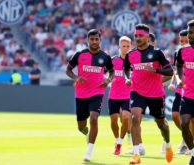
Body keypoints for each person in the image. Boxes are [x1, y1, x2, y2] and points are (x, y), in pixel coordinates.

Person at [124, 24, 174, 164]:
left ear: (147, 37)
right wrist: (127, 78)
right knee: (135, 118)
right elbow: (126, 68)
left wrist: (156, 71)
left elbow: (170, 72)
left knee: (161, 124)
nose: (138, 38)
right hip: (137, 91)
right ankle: (136, 154)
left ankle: (168, 144)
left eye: (140, 36)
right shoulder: (130, 54)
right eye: (136, 36)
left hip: (155, 93)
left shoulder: (157, 53)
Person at [65, 29, 114, 162]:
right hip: (81, 93)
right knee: (81, 126)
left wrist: (108, 80)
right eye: (91, 39)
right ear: (88, 40)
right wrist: (75, 77)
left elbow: (112, 71)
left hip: (97, 92)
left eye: (96, 39)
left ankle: (89, 152)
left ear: (100, 40)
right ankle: (86, 133)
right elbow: (68, 70)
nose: (94, 41)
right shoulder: (79, 55)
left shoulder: (105, 57)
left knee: (93, 118)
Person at [108, 36, 132, 155]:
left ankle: (120, 143)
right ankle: (117, 139)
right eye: (124, 46)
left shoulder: (134, 61)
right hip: (113, 95)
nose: (126, 48)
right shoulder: (112, 60)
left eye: (128, 46)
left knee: (126, 118)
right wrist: (108, 79)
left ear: (131, 46)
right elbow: (102, 73)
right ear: (119, 46)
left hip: (128, 95)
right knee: (113, 121)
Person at [176, 19, 194, 165]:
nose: (190, 35)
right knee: (184, 124)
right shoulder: (182, 51)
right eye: (189, 32)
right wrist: (181, 77)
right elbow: (179, 65)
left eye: (193, 32)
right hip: (188, 95)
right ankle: (193, 153)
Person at [168, 29, 189, 154]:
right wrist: (172, 82)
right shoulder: (178, 52)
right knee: (175, 115)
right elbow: (176, 69)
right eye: (181, 41)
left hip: (190, 88)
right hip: (180, 86)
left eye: (186, 41)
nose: (183, 43)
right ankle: (186, 135)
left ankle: (187, 141)